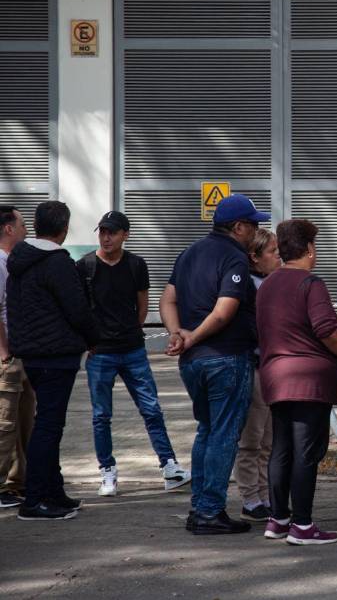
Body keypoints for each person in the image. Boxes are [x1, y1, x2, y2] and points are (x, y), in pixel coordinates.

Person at [160, 194, 268, 535]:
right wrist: (190, 337)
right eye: (253, 225)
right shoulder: (234, 258)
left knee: (207, 430)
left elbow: (168, 299)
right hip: (226, 356)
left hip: (194, 362)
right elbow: (224, 312)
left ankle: (200, 506)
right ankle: (209, 511)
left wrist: (177, 333)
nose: (256, 230)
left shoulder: (189, 253)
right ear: (238, 227)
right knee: (223, 433)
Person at [78, 211, 190, 498]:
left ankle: (169, 466)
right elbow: (77, 308)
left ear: (125, 235)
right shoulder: (85, 266)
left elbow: (142, 305)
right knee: (101, 416)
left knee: (151, 409)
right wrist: (89, 339)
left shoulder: (136, 265)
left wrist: (132, 329)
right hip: (100, 352)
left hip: (132, 349)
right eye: (102, 231)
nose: (106, 237)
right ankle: (107, 471)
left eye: (112, 232)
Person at [256, 219, 337, 546]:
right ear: (310, 249)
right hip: (309, 381)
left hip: (275, 377)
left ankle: (278, 519)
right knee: (305, 453)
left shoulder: (267, 285)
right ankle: (302, 525)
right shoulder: (311, 284)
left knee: (280, 449)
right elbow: (327, 328)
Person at [8, 202, 99, 521]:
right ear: (64, 228)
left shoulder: (19, 261)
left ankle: (53, 490)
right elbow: (77, 309)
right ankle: (34, 500)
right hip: (56, 355)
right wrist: (93, 338)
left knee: (49, 424)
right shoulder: (57, 262)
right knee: (48, 426)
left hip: (33, 354)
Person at [234, 229, 279, 521]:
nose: (279, 257)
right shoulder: (249, 286)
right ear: (255, 256)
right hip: (255, 365)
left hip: (274, 366)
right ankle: (250, 497)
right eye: (273, 252)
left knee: (269, 439)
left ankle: (264, 493)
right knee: (252, 437)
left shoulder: (274, 282)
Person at [0, 205, 35, 509]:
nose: (26, 230)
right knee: (6, 423)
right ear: (9, 229)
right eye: (22, 224)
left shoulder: (13, 263)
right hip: (8, 358)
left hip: (21, 354)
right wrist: (5, 352)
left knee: (24, 422)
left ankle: (17, 482)